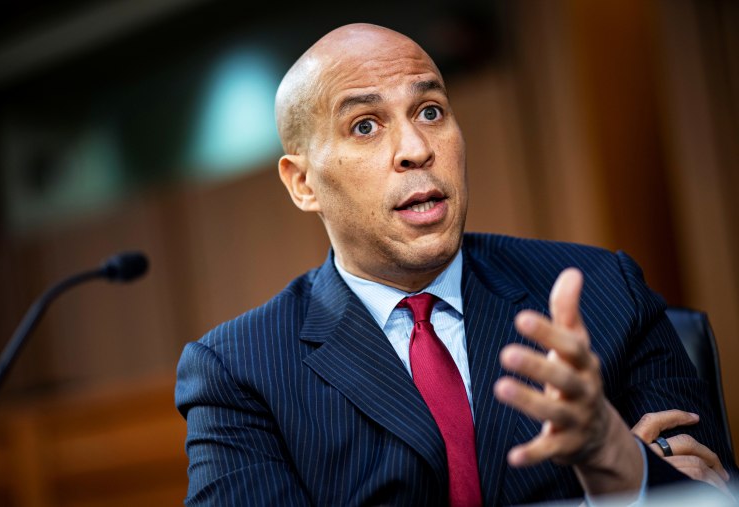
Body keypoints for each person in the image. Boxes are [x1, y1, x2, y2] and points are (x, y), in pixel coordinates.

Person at [175, 23, 736, 505]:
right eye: (365, 125)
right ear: (302, 183)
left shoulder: (605, 292)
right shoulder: (238, 371)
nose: (417, 147)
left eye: (430, 110)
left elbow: (707, 492)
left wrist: (616, 458)